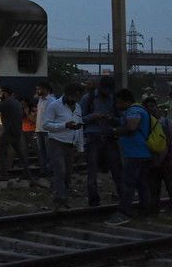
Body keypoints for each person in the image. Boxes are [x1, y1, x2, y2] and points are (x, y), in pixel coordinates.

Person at [110, 88, 151, 225]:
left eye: (119, 102)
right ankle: (145, 211)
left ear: (127, 101)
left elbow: (131, 127)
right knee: (141, 183)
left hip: (135, 154)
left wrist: (114, 131)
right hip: (141, 153)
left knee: (128, 183)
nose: (117, 105)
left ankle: (124, 213)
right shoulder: (135, 110)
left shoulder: (134, 110)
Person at [79, 75, 122, 207]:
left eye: (109, 90)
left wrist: (111, 119)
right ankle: (93, 200)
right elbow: (79, 119)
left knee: (117, 169)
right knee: (92, 171)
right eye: (105, 89)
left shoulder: (113, 99)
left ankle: (123, 197)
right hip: (93, 137)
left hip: (109, 136)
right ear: (100, 87)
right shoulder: (88, 98)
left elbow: (120, 119)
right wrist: (94, 116)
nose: (107, 92)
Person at [42, 82, 84, 210]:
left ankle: (62, 197)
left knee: (68, 173)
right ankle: (61, 199)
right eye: (73, 96)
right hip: (57, 142)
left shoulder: (77, 107)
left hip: (70, 144)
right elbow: (46, 125)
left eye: (77, 97)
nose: (75, 99)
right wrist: (64, 125)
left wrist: (80, 147)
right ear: (67, 94)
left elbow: (80, 128)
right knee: (60, 171)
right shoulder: (54, 105)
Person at [142, 97, 170, 214]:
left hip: (167, 162)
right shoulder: (145, 125)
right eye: (147, 108)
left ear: (156, 107)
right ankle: (153, 212)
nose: (150, 110)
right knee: (153, 191)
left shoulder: (166, 123)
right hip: (152, 162)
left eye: (152, 107)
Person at [34, 81, 56, 180]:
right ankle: (43, 171)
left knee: (49, 152)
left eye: (39, 89)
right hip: (39, 129)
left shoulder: (52, 101)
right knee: (41, 152)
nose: (37, 91)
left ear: (45, 89)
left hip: (48, 130)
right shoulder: (41, 100)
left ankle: (50, 171)